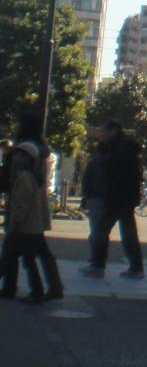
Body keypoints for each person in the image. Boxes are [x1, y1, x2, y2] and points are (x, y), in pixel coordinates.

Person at [0, 113, 62, 302]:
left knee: (13, 252)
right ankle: (51, 288)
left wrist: (16, 219)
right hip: (37, 210)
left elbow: (11, 184)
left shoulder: (24, 153)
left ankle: (15, 287)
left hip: (23, 215)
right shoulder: (42, 149)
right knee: (35, 253)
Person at [90, 120, 145, 278]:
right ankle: (136, 267)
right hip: (126, 196)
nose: (102, 135)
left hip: (118, 196)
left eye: (103, 131)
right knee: (128, 232)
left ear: (113, 130)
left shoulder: (119, 148)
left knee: (101, 231)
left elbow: (117, 173)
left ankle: (98, 265)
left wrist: (111, 191)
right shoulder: (125, 147)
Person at [4, 142, 54, 303]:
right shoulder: (35, 176)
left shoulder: (24, 177)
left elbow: (22, 203)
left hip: (24, 227)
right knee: (25, 258)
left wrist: (16, 222)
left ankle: (36, 292)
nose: (15, 158)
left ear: (27, 158)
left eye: (19, 155)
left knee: (15, 258)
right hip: (33, 227)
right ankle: (34, 291)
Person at [79, 141, 110, 273]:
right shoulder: (113, 164)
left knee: (95, 230)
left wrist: (86, 197)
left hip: (95, 198)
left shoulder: (93, 163)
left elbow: (86, 181)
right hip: (108, 200)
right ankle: (98, 259)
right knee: (102, 232)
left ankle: (95, 258)